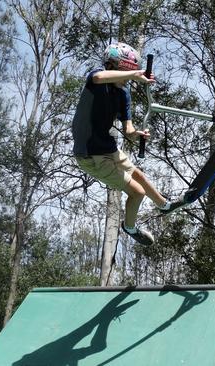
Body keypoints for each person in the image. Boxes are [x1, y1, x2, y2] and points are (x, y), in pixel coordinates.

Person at [71, 42, 177, 245]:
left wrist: (137, 134)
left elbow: (128, 131)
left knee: (140, 176)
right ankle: (129, 227)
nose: (127, 80)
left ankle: (164, 205)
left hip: (109, 149)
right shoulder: (96, 79)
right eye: (125, 73)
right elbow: (100, 77)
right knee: (137, 192)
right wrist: (134, 74)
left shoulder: (123, 94)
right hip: (90, 155)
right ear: (116, 67)